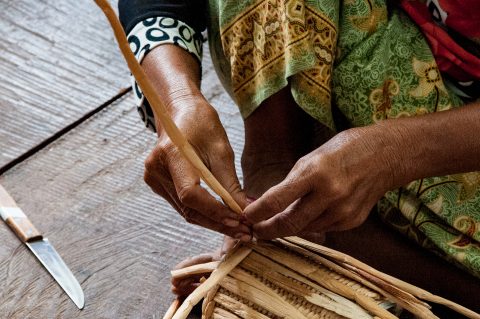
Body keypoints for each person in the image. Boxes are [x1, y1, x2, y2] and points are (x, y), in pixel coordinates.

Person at [118, 0, 480, 312]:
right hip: (388, 37)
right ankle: (275, 174)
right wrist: (176, 99)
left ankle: (338, 244)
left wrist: (394, 152)